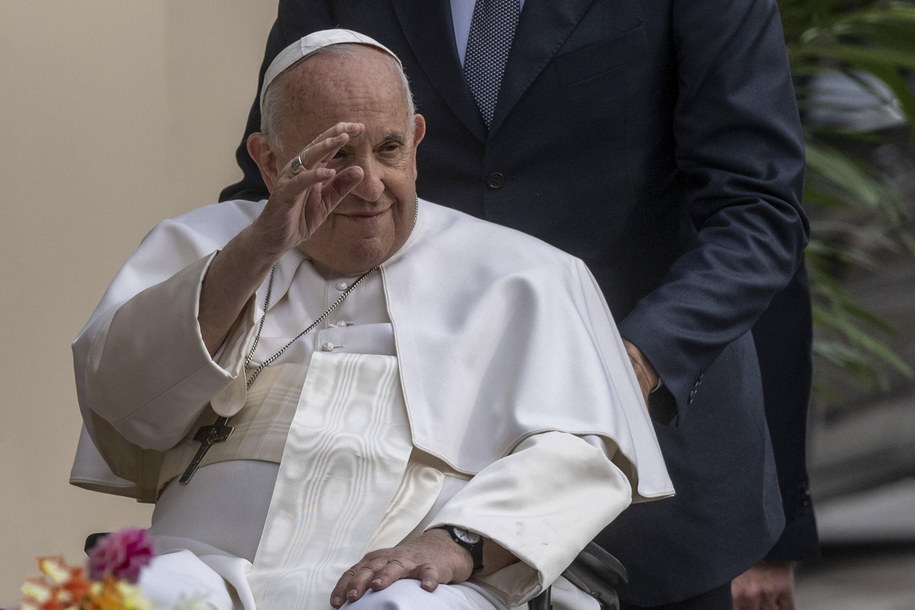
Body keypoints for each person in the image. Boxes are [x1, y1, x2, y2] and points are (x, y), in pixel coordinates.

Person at [219, 2, 821, 608]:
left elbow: (758, 211)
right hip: (398, 486)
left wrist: (629, 366)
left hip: (650, 483)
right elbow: (270, 191)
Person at [70, 29, 674, 610]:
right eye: (335, 157)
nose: (369, 184)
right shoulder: (199, 244)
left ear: (415, 139)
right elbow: (126, 405)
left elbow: (584, 451)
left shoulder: (529, 274)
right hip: (206, 573)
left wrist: (460, 541)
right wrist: (255, 251)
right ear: (269, 159)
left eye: (389, 149)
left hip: (416, 584)